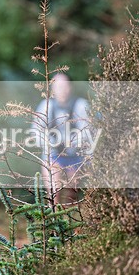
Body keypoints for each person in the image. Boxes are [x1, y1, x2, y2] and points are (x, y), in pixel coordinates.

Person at [32, 73, 92, 205]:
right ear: (52, 89)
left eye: (65, 86)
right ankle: (53, 214)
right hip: (53, 155)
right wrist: (52, 144)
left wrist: (71, 144)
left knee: (72, 195)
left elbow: (88, 131)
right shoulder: (45, 106)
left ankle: (73, 216)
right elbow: (37, 131)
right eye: (58, 87)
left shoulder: (81, 105)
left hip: (76, 156)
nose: (62, 90)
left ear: (70, 87)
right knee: (54, 192)